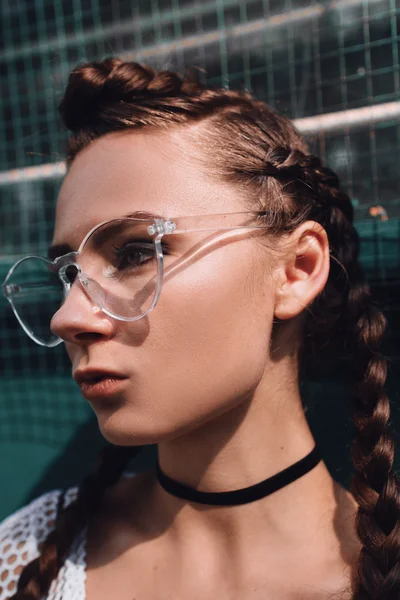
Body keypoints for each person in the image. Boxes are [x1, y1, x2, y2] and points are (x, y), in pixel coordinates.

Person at [0, 57, 398, 600]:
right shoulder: (21, 557)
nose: (67, 317)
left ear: (295, 271)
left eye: (137, 252)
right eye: (68, 273)